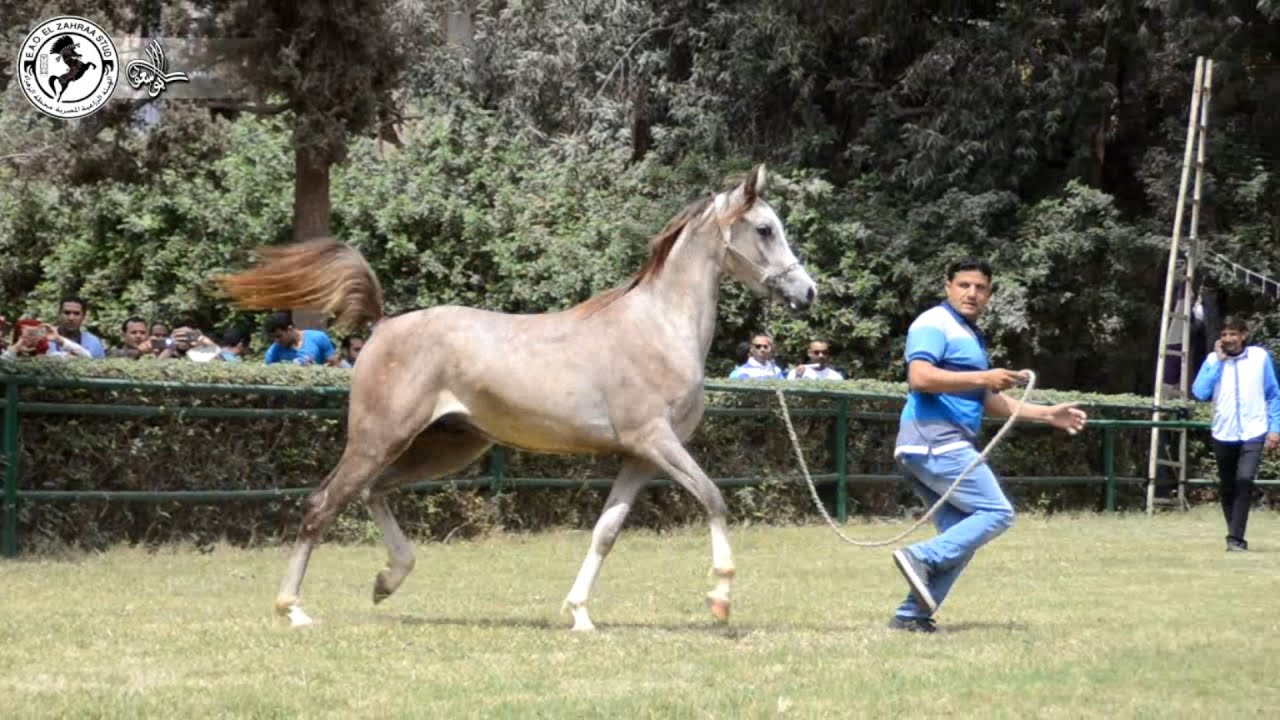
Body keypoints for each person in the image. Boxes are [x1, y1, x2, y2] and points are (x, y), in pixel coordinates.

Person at [888, 258, 1087, 633]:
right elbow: (920, 377)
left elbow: (987, 401)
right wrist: (985, 375)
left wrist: (1048, 415)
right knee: (997, 513)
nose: (972, 293)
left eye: (980, 288)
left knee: (962, 536)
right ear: (947, 286)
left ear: (989, 295)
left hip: (931, 443)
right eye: (964, 285)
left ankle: (911, 617)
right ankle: (920, 556)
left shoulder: (970, 335)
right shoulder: (934, 323)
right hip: (936, 440)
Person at [1191, 316, 1280, 552]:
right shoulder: (1212, 361)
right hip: (1224, 432)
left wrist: (1275, 428)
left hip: (1254, 430)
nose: (1228, 339)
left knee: (1244, 481)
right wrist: (1218, 363)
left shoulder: (1260, 358)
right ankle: (1234, 533)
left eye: (1233, 334)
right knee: (1228, 486)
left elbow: (1273, 394)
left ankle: (1235, 539)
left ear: (1243, 336)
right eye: (1224, 335)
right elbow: (1200, 392)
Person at [262, 311, 339, 366]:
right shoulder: (273, 352)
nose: (276, 341)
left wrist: (316, 369)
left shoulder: (318, 338)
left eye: (279, 336)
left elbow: (334, 364)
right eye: (273, 338)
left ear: (290, 329)